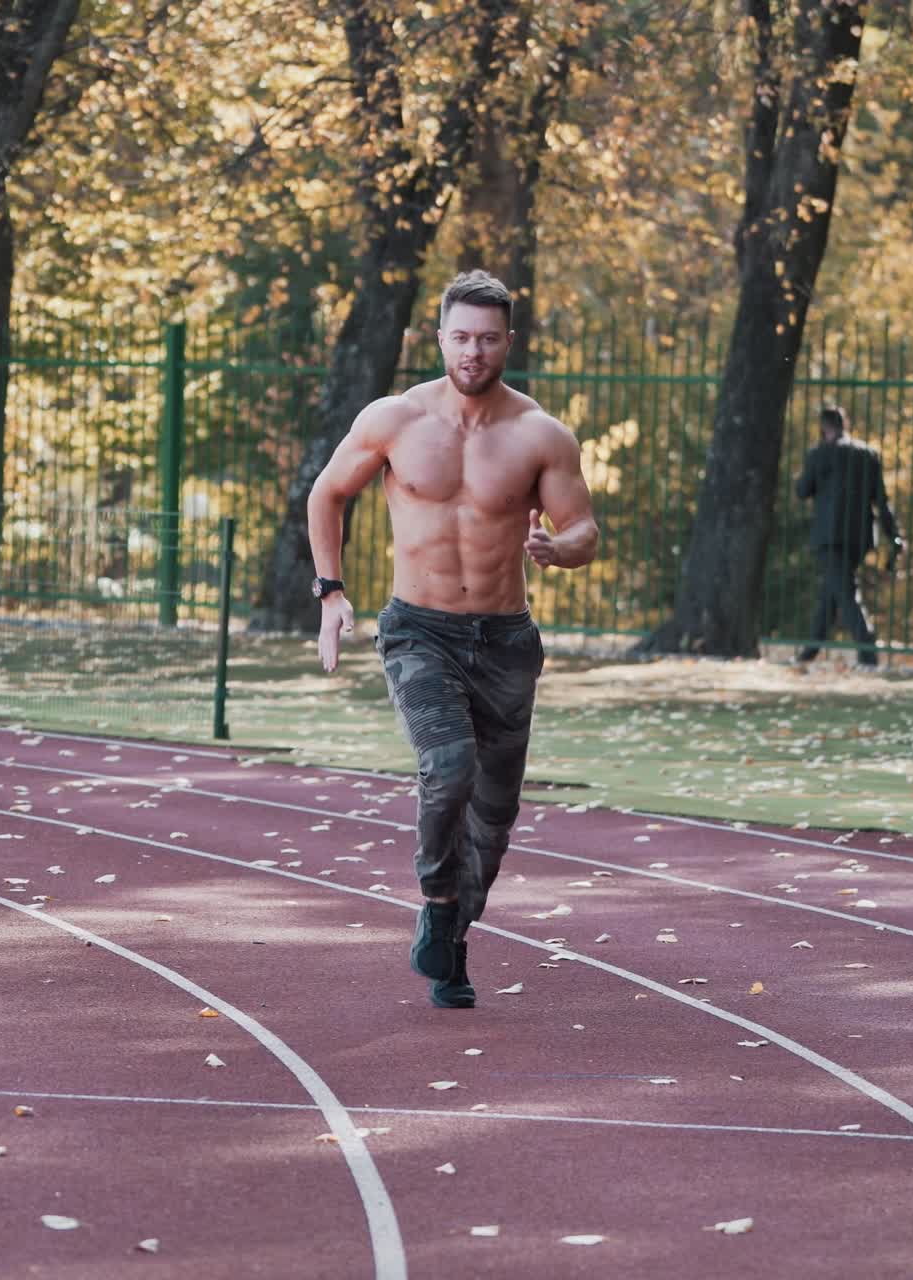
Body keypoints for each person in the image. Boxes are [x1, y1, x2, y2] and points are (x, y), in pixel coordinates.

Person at [306, 270, 599, 1009]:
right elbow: (328, 493)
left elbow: (584, 530)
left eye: (488, 339)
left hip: (506, 641)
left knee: (493, 820)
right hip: (420, 631)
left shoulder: (540, 434)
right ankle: (438, 903)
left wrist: (560, 549)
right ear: (439, 338)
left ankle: (453, 940)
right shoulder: (395, 419)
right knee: (448, 764)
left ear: (508, 343)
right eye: (461, 337)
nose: (474, 352)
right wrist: (330, 591)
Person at [795, 404, 904, 667]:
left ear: (823, 427)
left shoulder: (818, 454)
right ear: (845, 424)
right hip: (859, 538)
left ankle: (867, 651)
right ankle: (810, 651)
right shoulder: (867, 454)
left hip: (829, 537)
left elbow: (802, 490)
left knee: (845, 593)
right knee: (832, 592)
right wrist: (894, 535)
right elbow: (881, 500)